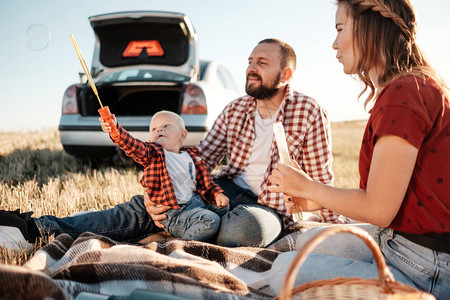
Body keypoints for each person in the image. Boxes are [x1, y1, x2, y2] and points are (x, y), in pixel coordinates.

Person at [268, 1, 449, 299]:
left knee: (283, 269)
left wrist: (307, 185)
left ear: (370, 27)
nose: (334, 43)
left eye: (340, 29)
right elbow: (392, 195)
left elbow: (378, 209)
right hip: (402, 242)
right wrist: (313, 196)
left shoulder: (405, 93)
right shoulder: (414, 85)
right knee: (302, 242)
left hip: (426, 266)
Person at [147, 38, 349, 248]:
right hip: (224, 191)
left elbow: (321, 181)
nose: (251, 68)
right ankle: (188, 224)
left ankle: (189, 227)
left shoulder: (309, 111)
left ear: (286, 75)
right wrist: (152, 195)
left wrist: (337, 231)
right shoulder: (235, 108)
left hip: (270, 207)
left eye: (262, 63)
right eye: (250, 61)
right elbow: (201, 159)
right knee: (146, 207)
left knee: (243, 230)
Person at [99, 110, 229, 242]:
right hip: (174, 212)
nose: (159, 129)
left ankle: (199, 232)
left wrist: (217, 194)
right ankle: (181, 245)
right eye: (154, 129)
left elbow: (206, 184)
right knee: (211, 221)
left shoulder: (192, 157)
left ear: (182, 135)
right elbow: (132, 145)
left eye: (166, 126)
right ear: (150, 140)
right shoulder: (154, 154)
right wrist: (115, 130)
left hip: (195, 203)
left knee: (223, 207)